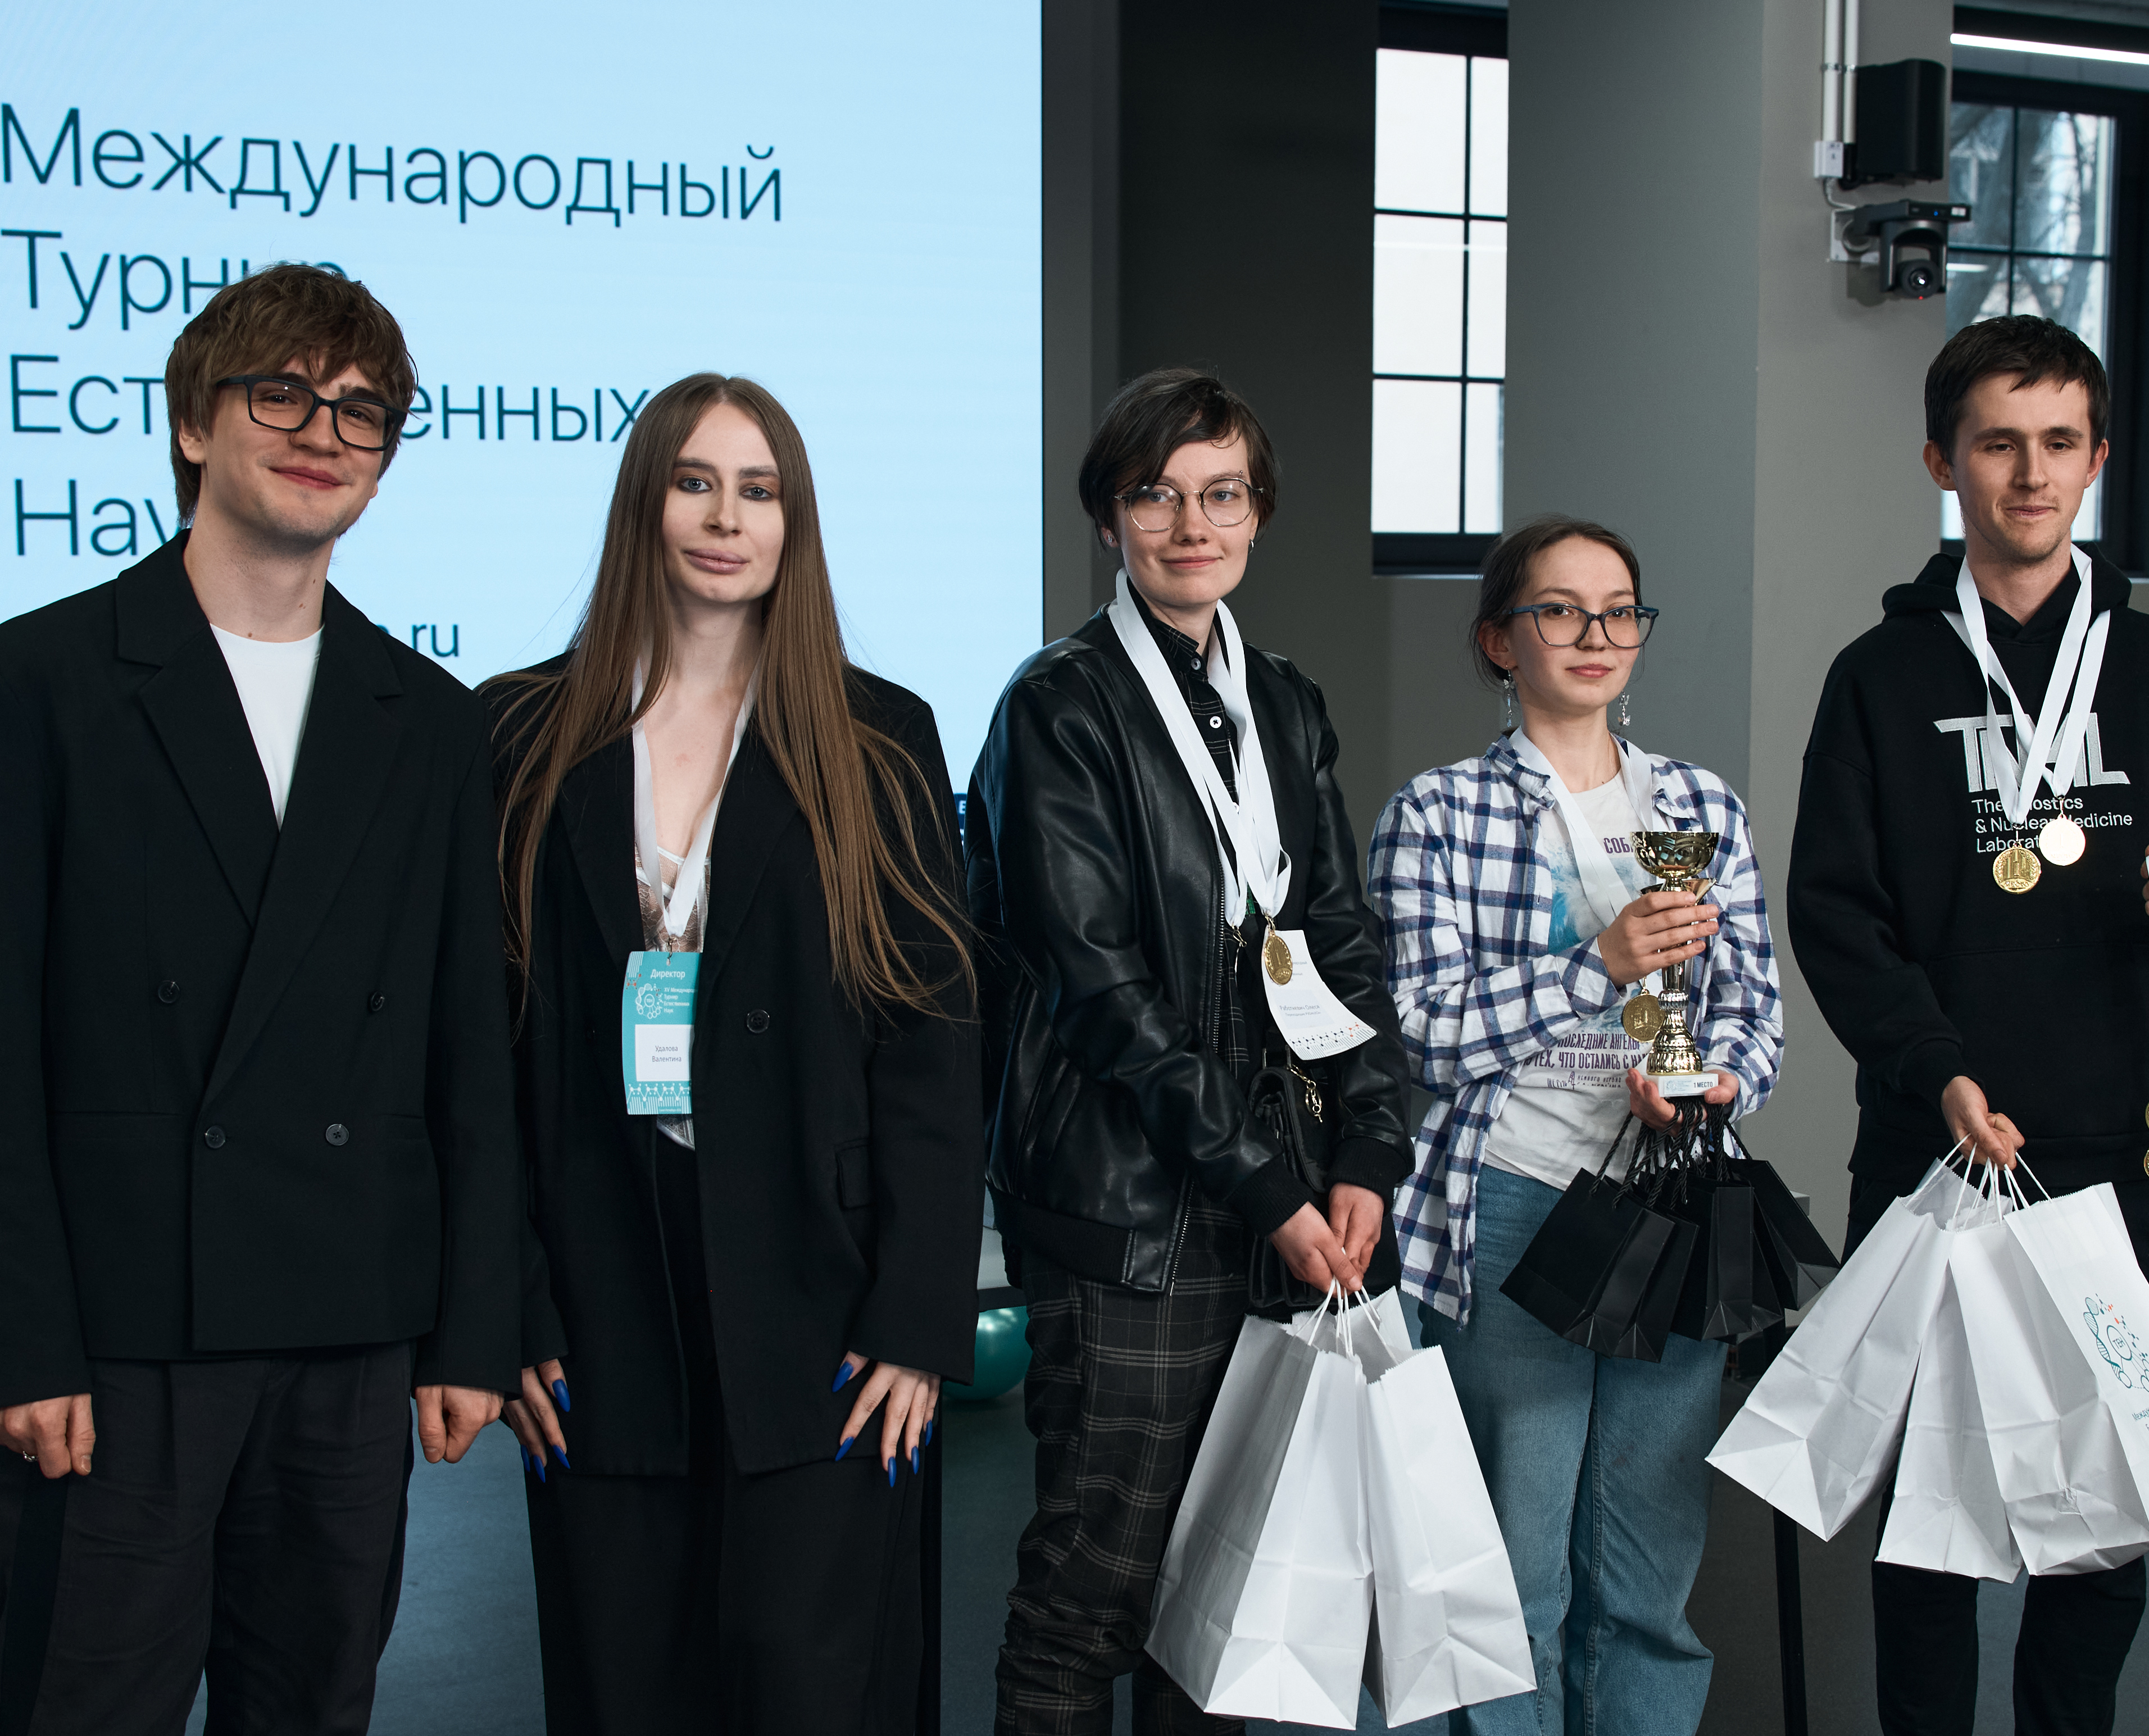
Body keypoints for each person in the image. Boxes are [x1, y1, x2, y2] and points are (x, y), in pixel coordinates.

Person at [0, 262, 520, 1734]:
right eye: (283, 393)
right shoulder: (34, 681)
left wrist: (472, 1329)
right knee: (80, 1704)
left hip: (351, 1318)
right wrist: (13, 1339)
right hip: (117, 1329)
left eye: (362, 410)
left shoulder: (430, 720)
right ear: (194, 423)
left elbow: (468, 1052)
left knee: (313, 1704)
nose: (324, 432)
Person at [1789, 315, 2149, 1735]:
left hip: (2127, 1153)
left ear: (2098, 460)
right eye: (1997, 443)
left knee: (2108, 1523)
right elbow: (1837, 917)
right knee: (1928, 1528)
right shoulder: (1877, 678)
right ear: (1941, 461)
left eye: (2059, 442)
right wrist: (1933, 1070)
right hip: (1938, 1152)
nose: (2029, 473)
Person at [485, 372, 980, 1734]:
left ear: (792, 522)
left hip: (828, 1299)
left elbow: (932, 1052)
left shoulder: (878, 737)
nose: (725, 518)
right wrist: (507, 1307)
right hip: (597, 1293)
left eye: (758, 491)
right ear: (644, 506)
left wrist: (916, 1322)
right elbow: (478, 1059)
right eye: (695, 483)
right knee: (626, 1680)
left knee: (815, 1684)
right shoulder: (516, 735)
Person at [969, 365, 1411, 1735]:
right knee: (1090, 1596)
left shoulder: (1285, 700)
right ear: (1108, 517)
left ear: (1258, 513)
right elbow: (1098, 990)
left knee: (1223, 1600)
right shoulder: (1057, 707)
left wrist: (1368, 1145)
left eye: (1222, 495)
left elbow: (1337, 938)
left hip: (1280, 1196)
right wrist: (1266, 1187)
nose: (1191, 525)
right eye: (1155, 495)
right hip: (1133, 1214)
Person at [1367, 515, 1783, 1735]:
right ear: (1500, 639)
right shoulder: (1437, 814)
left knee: (1649, 1575)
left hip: (1671, 1203)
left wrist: (1711, 1084)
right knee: (1514, 1575)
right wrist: (1593, 963)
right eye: (1558, 609)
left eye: (1618, 611)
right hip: (1510, 1200)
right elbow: (1422, 1033)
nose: (1594, 634)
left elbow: (1753, 1010)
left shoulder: (1697, 803)